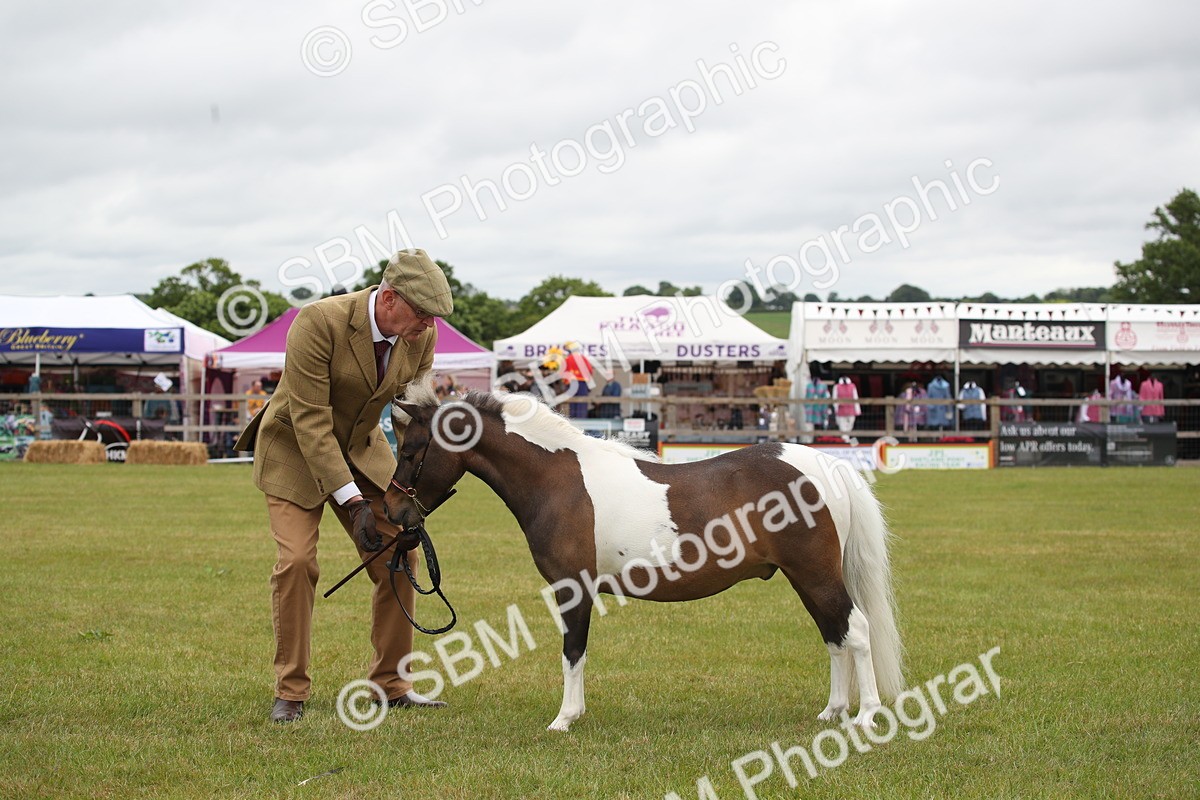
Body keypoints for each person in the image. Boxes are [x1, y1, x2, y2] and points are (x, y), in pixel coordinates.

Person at [234, 248, 454, 723]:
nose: (428, 324)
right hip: (294, 447)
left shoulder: (421, 334)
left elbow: (411, 412)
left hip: (362, 447)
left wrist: (416, 488)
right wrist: (352, 503)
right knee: (296, 562)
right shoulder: (317, 322)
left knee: (401, 553)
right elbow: (311, 421)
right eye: (421, 313)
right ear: (389, 298)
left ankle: (391, 685)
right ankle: (290, 691)